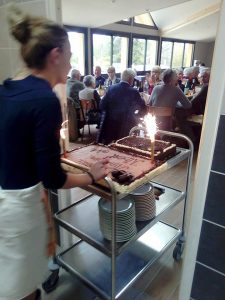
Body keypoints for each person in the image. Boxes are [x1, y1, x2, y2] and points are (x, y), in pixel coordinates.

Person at [0, 5, 108, 300]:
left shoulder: (7, 88)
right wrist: (91, 175)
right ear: (55, 55)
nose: (71, 62)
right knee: (20, 290)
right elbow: (53, 177)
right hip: (18, 209)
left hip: (6, 197)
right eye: (70, 54)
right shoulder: (44, 100)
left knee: (13, 284)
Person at [98, 68, 147, 145]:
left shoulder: (111, 88)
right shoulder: (133, 92)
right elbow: (143, 108)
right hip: (126, 126)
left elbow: (102, 105)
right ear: (131, 79)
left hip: (110, 124)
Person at [66, 69, 84, 139]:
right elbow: (85, 93)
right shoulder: (79, 84)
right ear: (77, 75)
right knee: (87, 108)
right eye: (80, 74)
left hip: (68, 105)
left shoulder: (67, 81)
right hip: (75, 106)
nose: (80, 76)